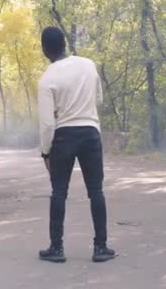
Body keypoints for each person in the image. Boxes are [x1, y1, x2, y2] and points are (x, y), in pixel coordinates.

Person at [37, 26, 116, 263]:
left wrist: (45, 151)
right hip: (90, 132)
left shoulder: (46, 79)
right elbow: (98, 99)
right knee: (96, 191)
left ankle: (57, 248)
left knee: (59, 192)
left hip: (63, 136)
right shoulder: (88, 64)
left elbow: (47, 124)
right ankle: (100, 248)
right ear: (64, 43)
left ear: (44, 49)